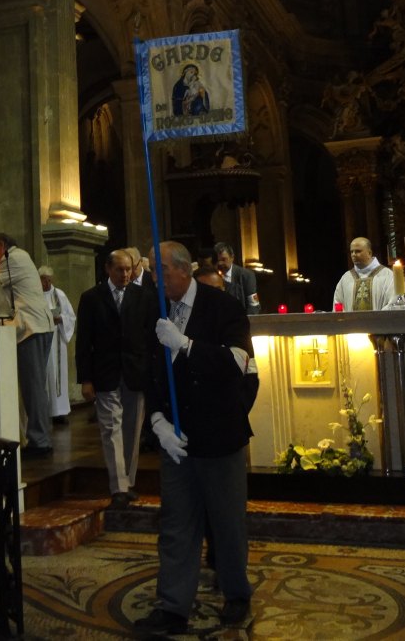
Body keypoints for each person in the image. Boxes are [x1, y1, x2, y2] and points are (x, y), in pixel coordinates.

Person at [134, 241, 258, 635]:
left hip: (219, 436)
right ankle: (173, 606)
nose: (155, 279)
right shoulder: (152, 310)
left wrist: (185, 346)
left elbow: (236, 364)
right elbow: (148, 372)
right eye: (152, 272)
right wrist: (156, 422)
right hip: (175, 439)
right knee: (176, 525)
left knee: (227, 524)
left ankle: (237, 594)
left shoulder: (223, 307)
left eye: (161, 271)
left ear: (184, 270)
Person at [75, 250, 156, 507]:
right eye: (119, 270)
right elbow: (83, 341)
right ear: (108, 270)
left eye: (128, 270)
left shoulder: (143, 296)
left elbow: (150, 337)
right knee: (110, 428)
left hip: (135, 372)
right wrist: (85, 379)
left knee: (132, 430)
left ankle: (128, 480)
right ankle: (117, 485)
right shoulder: (91, 298)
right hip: (105, 372)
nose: (125, 275)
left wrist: (151, 371)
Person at [0, 232, 57, 456]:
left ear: (1, 245)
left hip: (32, 328)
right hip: (33, 327)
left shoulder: (14, 258)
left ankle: (40, 441)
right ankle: (39, 437)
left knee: (33, 386)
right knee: (34, 385)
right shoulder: (17, 258)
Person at [39, 265, 77, 426]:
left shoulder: (59, 294)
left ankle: (59, 412)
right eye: (42, 280)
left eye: (48, 280)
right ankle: (44, 410)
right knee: (45, 374)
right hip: (42, 338)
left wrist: (61, 319)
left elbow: (71, 316)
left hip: (57, 339)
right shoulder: (35, 296)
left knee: (57, 376)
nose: (46, 283)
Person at [333, 237, 395, 311]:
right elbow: (338, 304)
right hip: (351, 322)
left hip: (379, 322)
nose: (353, 254)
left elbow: (393, 303)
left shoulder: (387, 275)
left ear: (369, 253)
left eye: (358, 251)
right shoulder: (346, 278)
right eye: (351, 251)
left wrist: (375, 320)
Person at [214, 242, 261, 316]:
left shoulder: (246, 275)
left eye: (223, 259)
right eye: (217, 260)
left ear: (232, 257)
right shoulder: (211, 276)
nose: (220, 263)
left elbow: (253, 305)